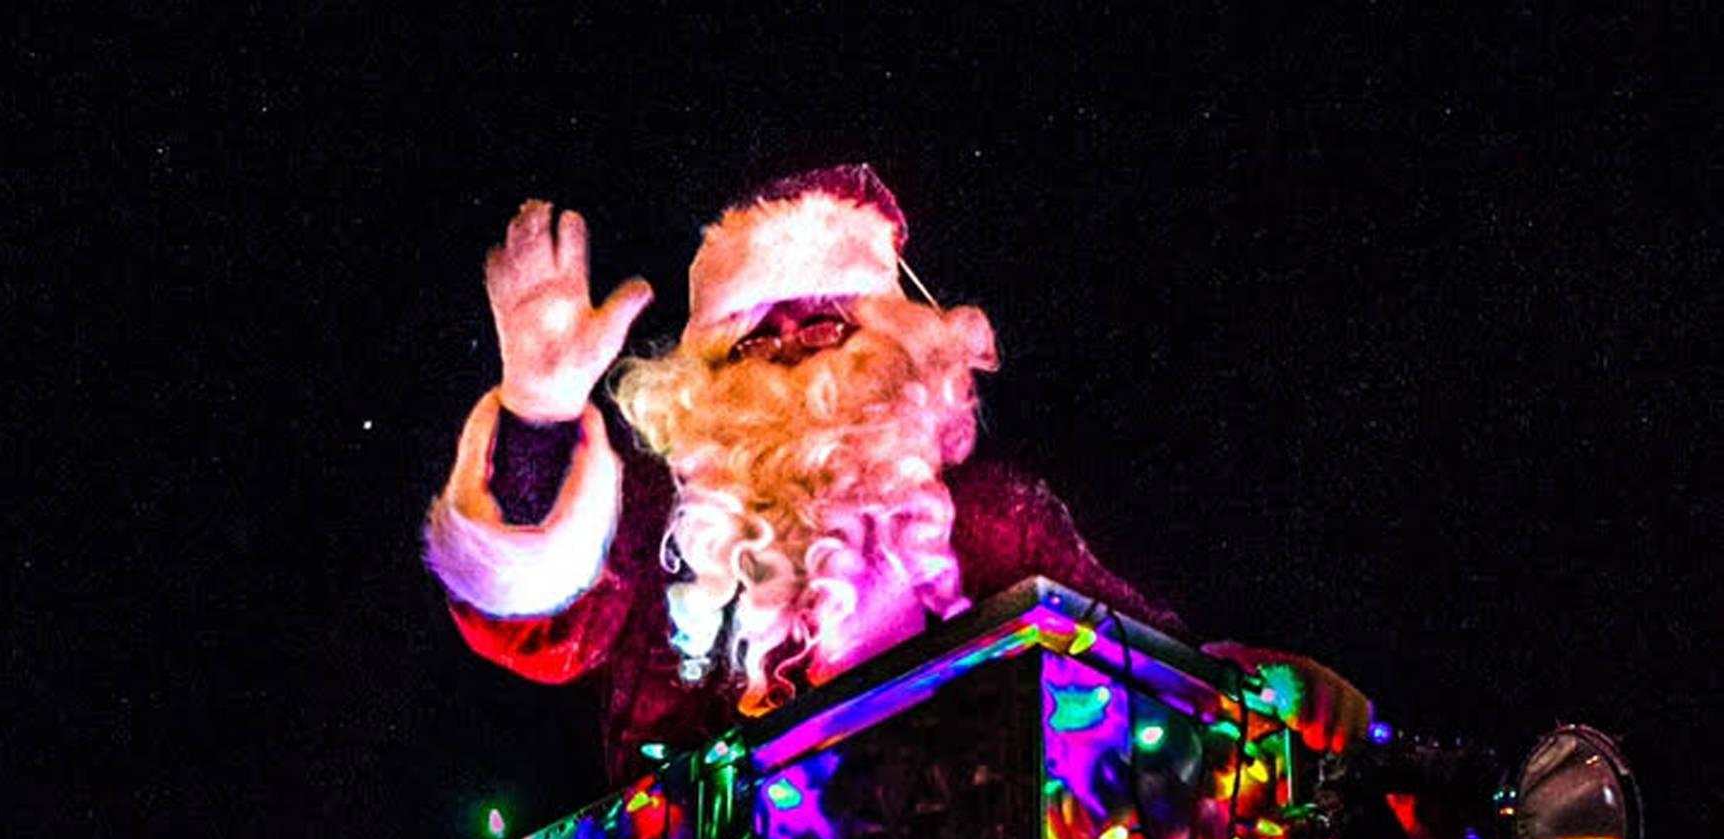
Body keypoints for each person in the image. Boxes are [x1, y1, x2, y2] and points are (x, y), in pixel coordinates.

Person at [423, 166, 1364, 782]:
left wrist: (1260, 687)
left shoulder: (990, 521)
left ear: (891, 343)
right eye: (755, 336)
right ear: (704, 375)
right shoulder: (660, 534)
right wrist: (539, 414)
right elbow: (536, 623)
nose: (788, 350)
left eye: (822, 323)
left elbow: (1139, 666)